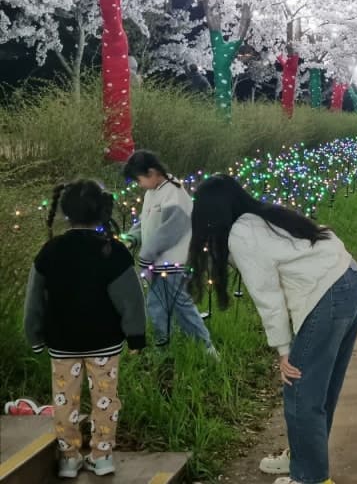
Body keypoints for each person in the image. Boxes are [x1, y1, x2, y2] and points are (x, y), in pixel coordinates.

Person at [186, 175, 357, 484]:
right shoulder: (262, 216)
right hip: (349, 279)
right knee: (321, 391)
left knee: (301, 392)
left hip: (327, 293)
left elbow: (268, 296)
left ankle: (310, 477)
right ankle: (303, 459)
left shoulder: (242, 234)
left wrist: (284, 351)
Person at [24, 180, 146, 479]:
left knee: (65, 400)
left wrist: (34, 336)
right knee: (106, 399)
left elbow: (34, 299)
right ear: (102, 211)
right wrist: (136, 336)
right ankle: (102, 456)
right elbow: (131, 301)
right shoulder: (113, 251)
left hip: (62, 343)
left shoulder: (50, 251)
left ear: (65, 212)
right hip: (105, 343)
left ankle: (68, 458)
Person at [122, 151, 217, 357]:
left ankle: (206, 349)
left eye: (140, 179)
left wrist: (146, 255)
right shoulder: (152, 193)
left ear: (153, 172)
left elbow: (170, 230)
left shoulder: (174, 193)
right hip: (158, 262)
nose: (140, 184)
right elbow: (145, 222)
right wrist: (131, 238)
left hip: (173, 262)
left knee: (180, 306)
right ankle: (163, 348)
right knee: (158, 305)